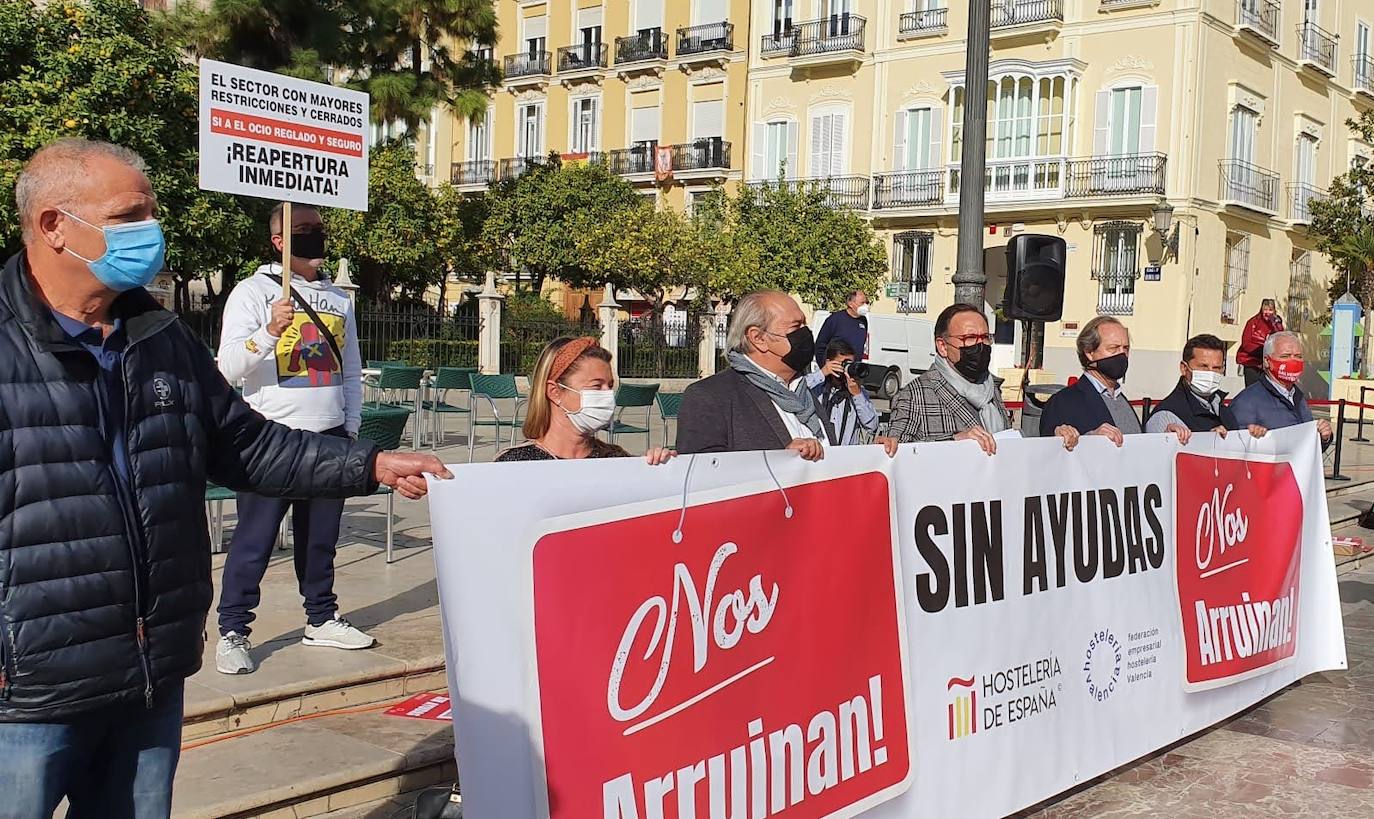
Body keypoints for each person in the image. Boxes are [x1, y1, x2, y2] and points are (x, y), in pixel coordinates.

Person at [0, 138, 448, 817]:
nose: (151, 231)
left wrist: (371, 463)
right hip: (25, 697)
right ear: (53, 226)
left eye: (151, 213)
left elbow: (246, 445)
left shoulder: (160, 338)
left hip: (149, 679)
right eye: (128, 216)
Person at [213, 202, 369, 675]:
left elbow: (350, 366)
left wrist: (351, 423)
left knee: (320, 540)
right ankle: (233, 630)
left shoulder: (339, 299)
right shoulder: (253, 292)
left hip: (329, 436)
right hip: (269, 438)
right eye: (303, 230)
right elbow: (227, 368)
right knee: (254, 541)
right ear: (279, 241)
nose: (315, 237)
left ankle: (321, 617)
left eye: (319, 229)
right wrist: (268, 332)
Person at [878, 303, 1079, 454]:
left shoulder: (991, 388)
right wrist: (954, 442)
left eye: (985, 337)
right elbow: (896, 455)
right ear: (942, 346)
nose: (980, 345)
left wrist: (1054, 441)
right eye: (970, 338)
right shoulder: (914, 395)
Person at [677, 290, 833, 460]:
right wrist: (779, 461)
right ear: (758, 338)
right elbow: (703, 476)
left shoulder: (803, 391)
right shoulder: (710, 397)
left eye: (805, 325)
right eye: (795, 327)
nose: (806, 333)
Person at [496, 336, 675, 464]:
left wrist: (661, 468)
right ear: (554, 392)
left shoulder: (615, 460)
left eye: (610, 386)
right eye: (596, 386)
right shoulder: (514, 464)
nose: (607, 395)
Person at [1040, 316, 1191, 446]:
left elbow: (1134, 448)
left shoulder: (1120, 399)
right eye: (1113, 348)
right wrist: (1089, 439)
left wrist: (1165, 439)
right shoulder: (1063, 402)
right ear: (1089, 353)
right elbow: (1050, 454)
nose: (1122, 355)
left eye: (1126, 348)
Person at [1145, 334, 1268, 438]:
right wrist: (1207, 442)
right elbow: (1160, 460)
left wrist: (1249, 437)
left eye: (1216, 368)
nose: (1210, 373)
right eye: (1203, 366)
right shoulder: (1165, 416)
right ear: (1184, 368)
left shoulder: (1224, 411)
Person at [1230, 331, 1333, 445]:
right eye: (1285, 356)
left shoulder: (1297, 397)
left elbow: (1305, 447)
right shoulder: (1246, 402)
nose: (1293, 361)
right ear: (1267, 361)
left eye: (1298, 356)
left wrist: (1323, 437)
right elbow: (1236, 448)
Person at [805, 338, 879, 446]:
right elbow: (796, 390)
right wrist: (822, 373)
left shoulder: (857, 391)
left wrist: (857, 395)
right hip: (818, 454)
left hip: (844, 456)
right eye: (842, 364)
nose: (845, 369)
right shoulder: (817, 387)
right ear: (829, 363)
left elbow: (872, 425)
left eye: (850, 364)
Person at [813, 289, 869, 369]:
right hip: (835, 370)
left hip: (853, 369)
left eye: (866, 302)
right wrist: (824, 367)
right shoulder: (835, 319)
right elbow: (820, 345)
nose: (865, 306)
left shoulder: (863, 321)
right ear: (850, 304)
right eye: (862, 303)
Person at [1237, 298, 1284, 386]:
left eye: (1270, 310)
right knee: (1252, 388)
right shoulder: (1253, 322)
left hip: (1267, 364)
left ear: (1274, 311)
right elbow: (1246, 343)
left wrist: (1277, 325)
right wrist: (1262, 351)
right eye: (1265, 309)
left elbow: (1280, 339)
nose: (1267, 312)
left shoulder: (1276, 324)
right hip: (1251, 361)